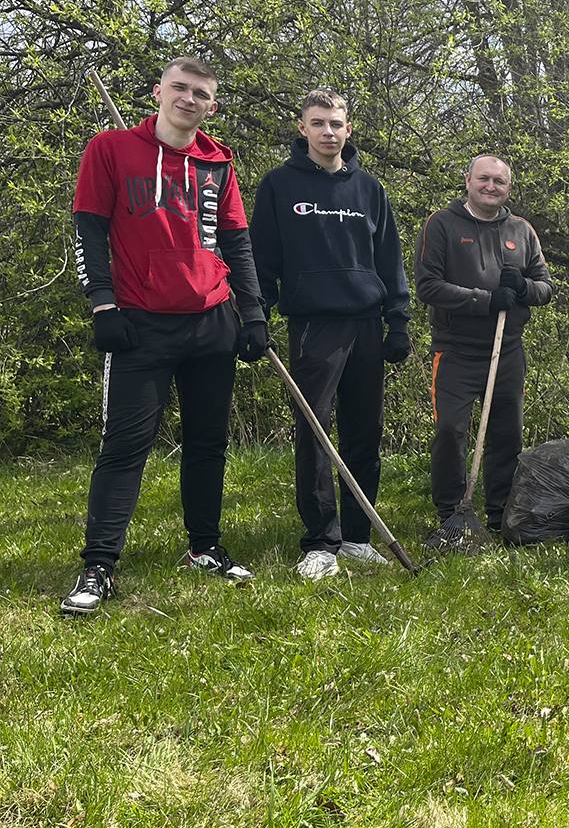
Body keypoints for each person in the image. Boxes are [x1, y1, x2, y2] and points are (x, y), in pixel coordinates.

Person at [62, 56, 270, 614]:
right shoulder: (110, 149)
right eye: (180, 88)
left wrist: (254, 317)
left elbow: (238, 244)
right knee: (125, 448)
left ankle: (204, 547)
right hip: (139, 324)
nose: (189, 99)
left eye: (201, 93)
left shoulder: (218, 162)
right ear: (158, 91)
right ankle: (98, 566)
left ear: (212, 105)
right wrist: (103, 305)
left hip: (212, 320)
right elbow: (89, 230)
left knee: (207, 444)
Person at [251, 89, 412, 579]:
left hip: (366, 321)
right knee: (316, 431)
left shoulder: (370, 189)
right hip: (312, 324)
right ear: (302, 128)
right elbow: (262, 258)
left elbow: (389, 258)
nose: (327, 132)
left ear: (348, 128)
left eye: (335, 124)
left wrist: (398, 319)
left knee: (364, 431)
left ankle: (359, 537)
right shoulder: (278, 185)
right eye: (318, 123)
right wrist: (257, 313)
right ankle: (321, 540)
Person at [415, 154, 553, 547]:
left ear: (509, 187)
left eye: (499, 182)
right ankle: (452, 515)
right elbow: (428, 285)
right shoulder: (442, 224)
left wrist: (523, 289)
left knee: (506, 435)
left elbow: (545, 286)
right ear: (468, 181)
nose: (491, 187)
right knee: (449, 432)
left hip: (507, 350)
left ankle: (499, 513)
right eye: (483, 180)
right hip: (456, 350)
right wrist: (485, 300)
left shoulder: (521, 230)